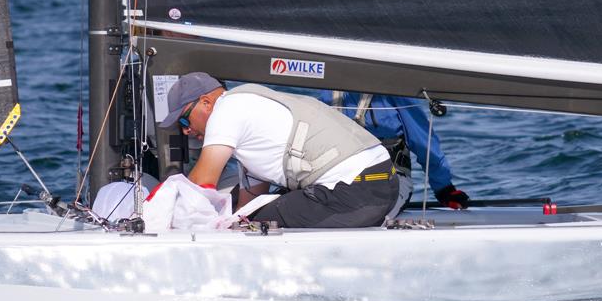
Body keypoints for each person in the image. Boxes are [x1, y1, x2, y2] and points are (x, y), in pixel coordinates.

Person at [158, 73, 399, 228]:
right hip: (381, 183)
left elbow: (200, 183)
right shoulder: (252, 110)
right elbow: (248, 204)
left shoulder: (227, 109)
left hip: (355, 191)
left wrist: (163, 221)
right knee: (241, 216)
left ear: (206, 102)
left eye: (185, 121)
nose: (187, 131)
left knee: (253, 222)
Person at [320, 91, 469, 210]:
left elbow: (423, 142)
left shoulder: (393, 89)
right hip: (342, 182)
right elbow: (423, 142)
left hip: (381, 183)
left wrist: (444, 189)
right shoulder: (329, 90)